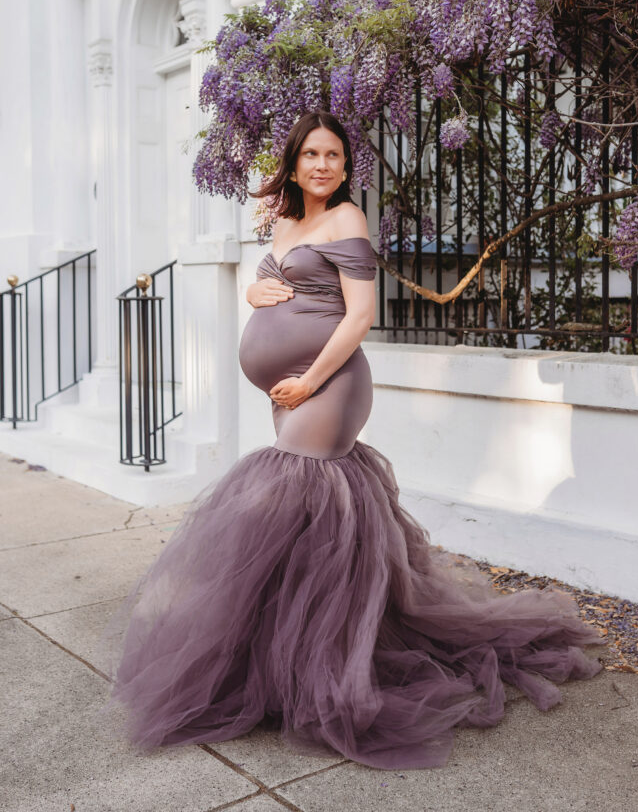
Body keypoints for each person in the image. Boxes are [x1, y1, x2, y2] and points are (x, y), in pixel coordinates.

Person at [98, 110, 606, 771]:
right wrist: (257, 290)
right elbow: (266, 281)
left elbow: (360, 315)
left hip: (328, 384)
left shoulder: (347, 221)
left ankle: (327, 673)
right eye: (310, 153)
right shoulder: (283, 219)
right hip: (287, 385)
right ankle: (282, 666)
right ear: (292, 160)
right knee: (304, 527)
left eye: (332, 155)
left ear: (344, 165)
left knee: (284, 502)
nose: (321, 165)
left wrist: (309, 380)